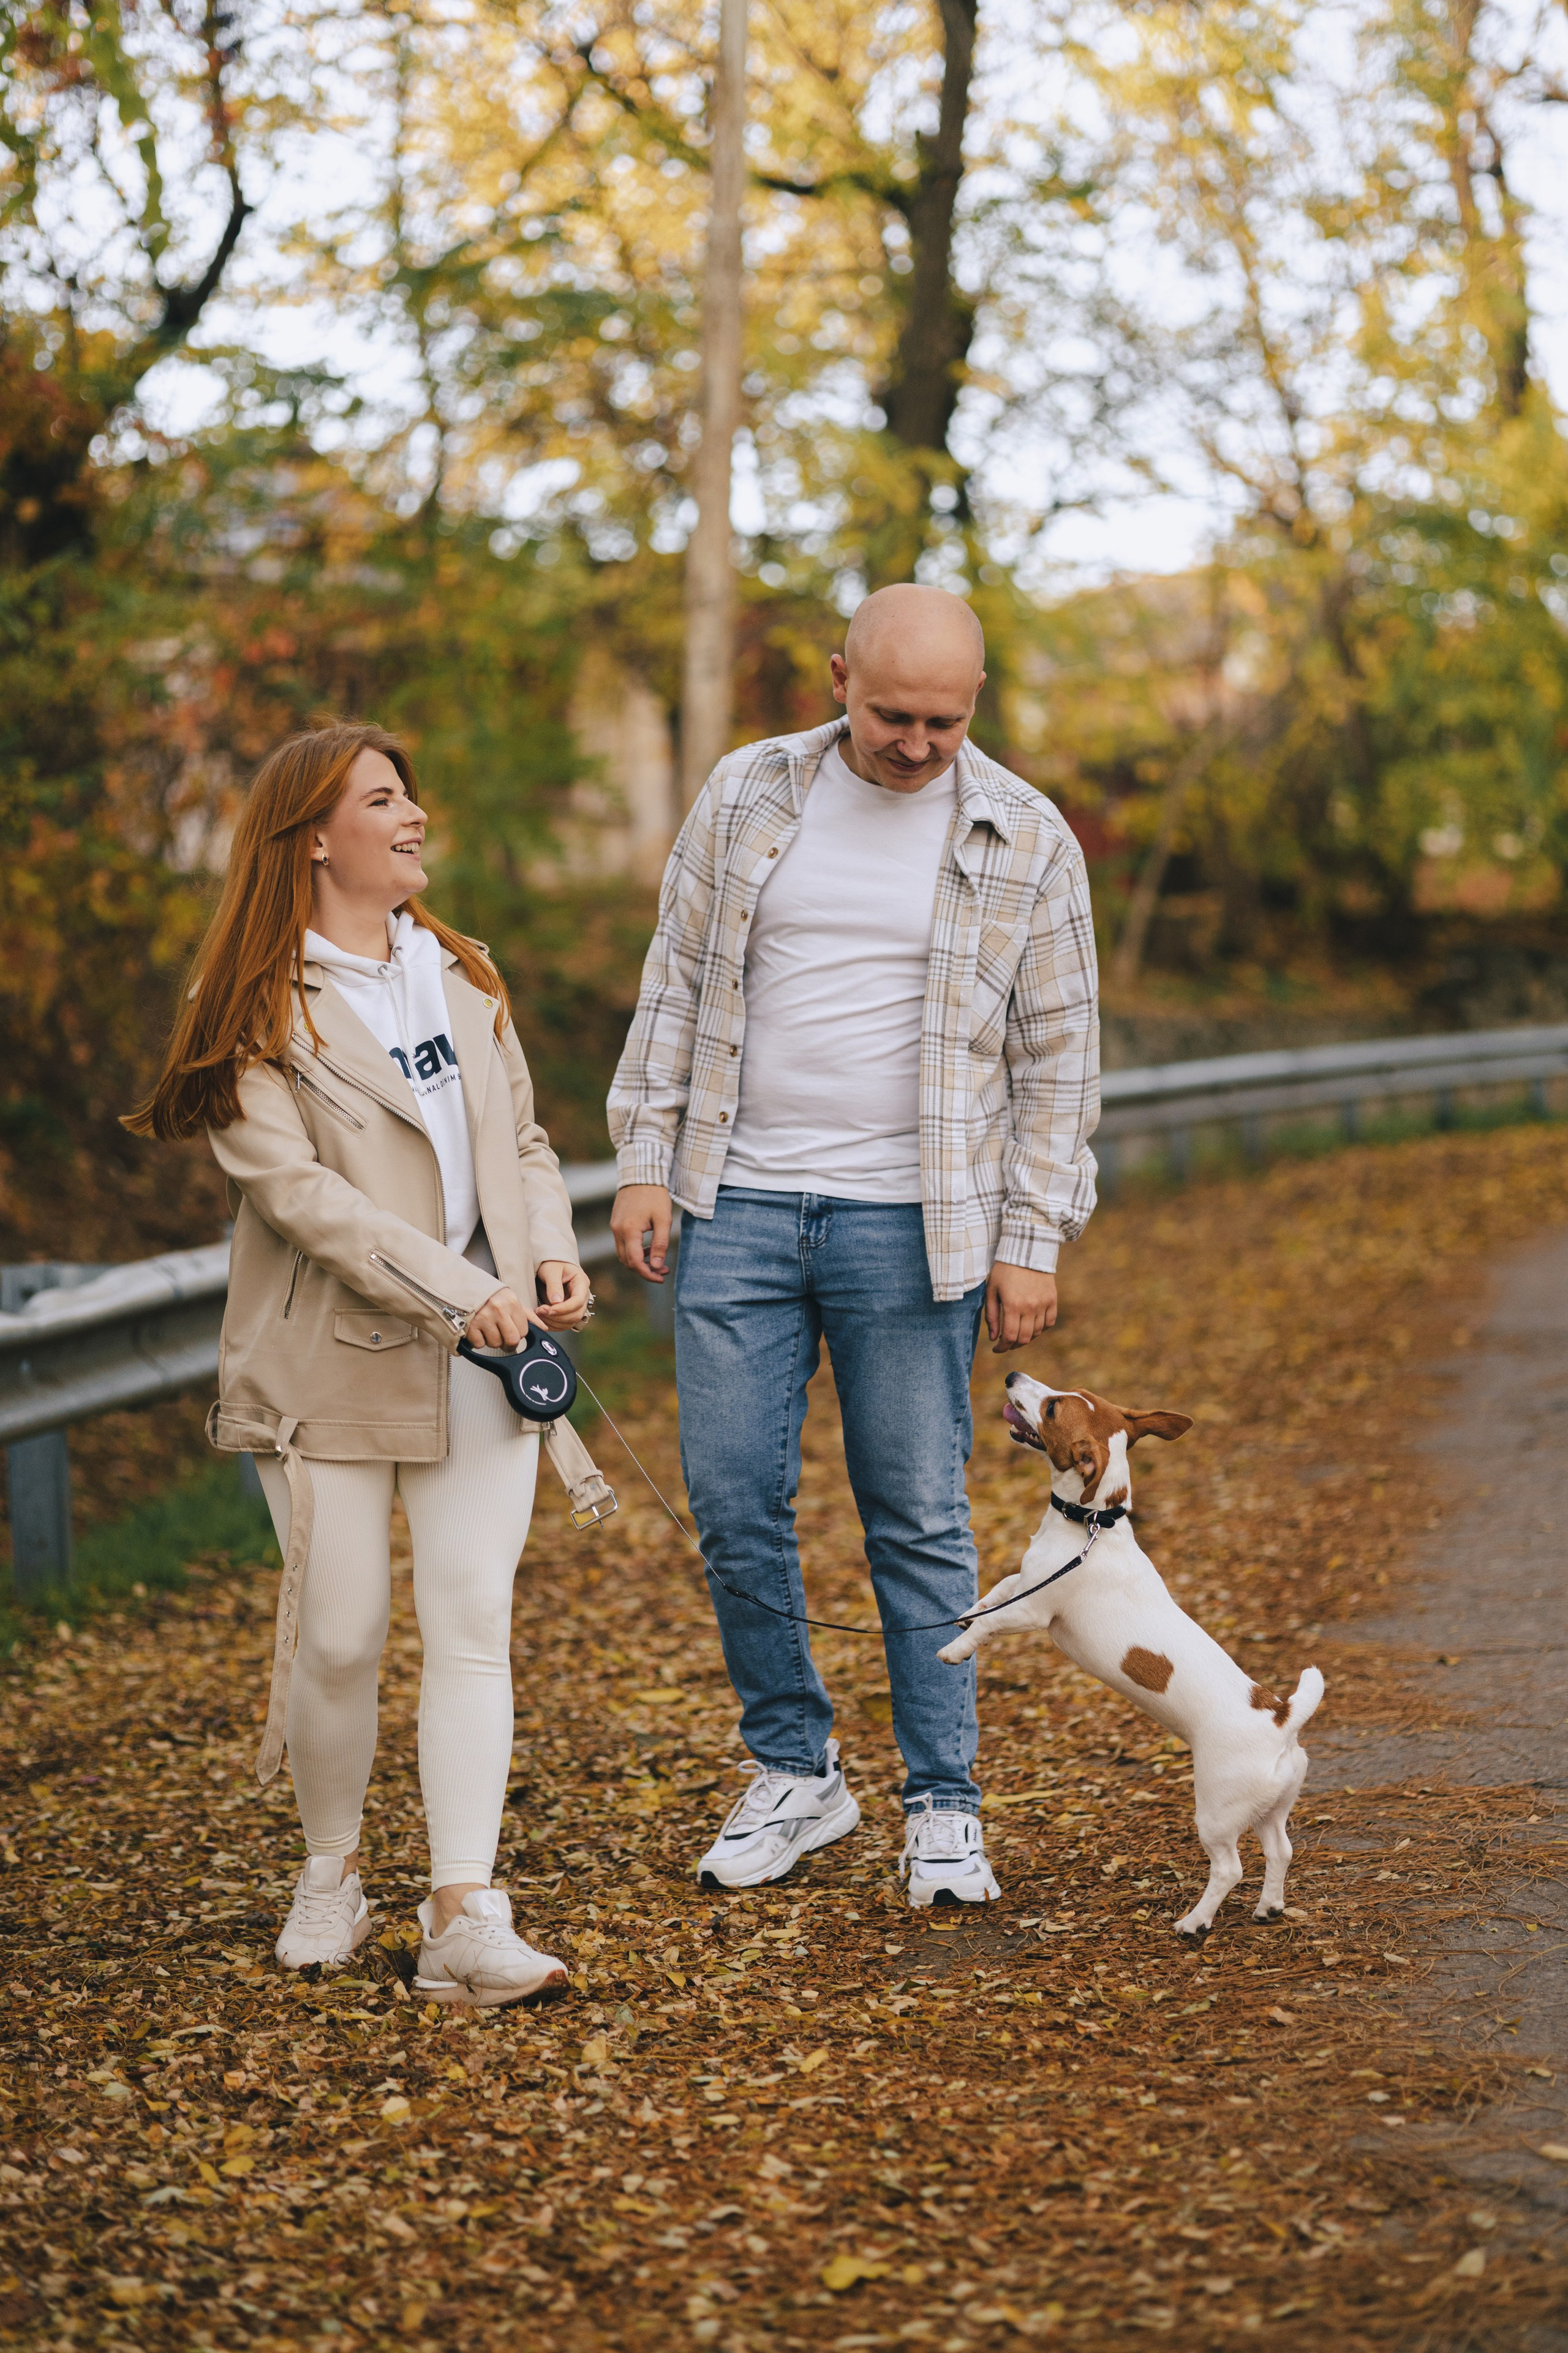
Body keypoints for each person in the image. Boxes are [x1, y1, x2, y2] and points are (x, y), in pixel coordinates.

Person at [608, 584, 1099, 1906]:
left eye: (945, 719)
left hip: (916, 1221)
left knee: (919, 1514)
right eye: (892, 714)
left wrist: (1030, 1236)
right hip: (739, 1201)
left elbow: (1059, 1063)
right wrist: (644, 1159)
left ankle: (942, 1802)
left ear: (973, 706)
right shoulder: (747, 796)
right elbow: (676, 979)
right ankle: (795, 1766)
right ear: (838, 680)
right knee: (728, 1502)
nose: (918, 744)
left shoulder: (1027, 836)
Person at [126, 720, 612, 2004]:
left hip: (489, 1348)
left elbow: (524, 1142)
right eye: (385, 799)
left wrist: (547, 1254)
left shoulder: (462, 970)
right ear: (314, 835)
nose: (415, 818)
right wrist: (465, 1289)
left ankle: (463, 1908)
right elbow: (301, 1203)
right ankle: (331, 1868)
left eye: (411, 794)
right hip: (326, 1364)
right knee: (338, 1637)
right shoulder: (249, 1009)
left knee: (470, 1622)